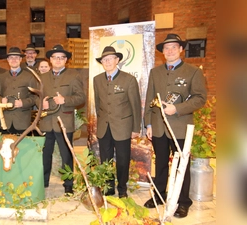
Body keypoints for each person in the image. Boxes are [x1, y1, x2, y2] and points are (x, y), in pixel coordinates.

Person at [143, 33, 207, 218]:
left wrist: (177, 108)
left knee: (182, 166)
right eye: (166, 48)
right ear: (162, 52)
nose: (169, 50)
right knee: (161, 163)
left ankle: (183, 202)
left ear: (181, 49)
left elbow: (200, 98)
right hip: (158, 126)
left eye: (173, 47)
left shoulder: (193, 72)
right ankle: (159, 195)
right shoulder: (155, 72)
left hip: (180, 126)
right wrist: (148, 123)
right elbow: (149, 99)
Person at [93, 46, 141, 198]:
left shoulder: (129, 80)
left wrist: (135, 128)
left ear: (117, 60)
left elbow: (135, 105)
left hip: (123, 127)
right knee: (105, 159)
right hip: (104, 127)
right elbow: (98, 103)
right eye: (104, 59)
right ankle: (108, 186)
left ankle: (122, 188)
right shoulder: (97, 79)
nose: (107, 62)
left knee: (122, 159)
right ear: (101, 62)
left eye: (110, 59)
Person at [40, 44, 85, 194]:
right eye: (55, 57)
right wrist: (41, 103)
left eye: (61, 57)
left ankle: (68, 184)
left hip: (64, 122)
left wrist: (65, 100)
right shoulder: (43, 77)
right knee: (45, 153)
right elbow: (35, 97)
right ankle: (43, 181)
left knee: (66, 154)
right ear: (50, 60)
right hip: (46, 122)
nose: (58, 60)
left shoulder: (74, 75)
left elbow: (81, 97)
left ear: (66, 60)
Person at [0, 47, 37, 134]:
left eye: (16, 57)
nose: (14, 60)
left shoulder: (29, 77)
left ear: (21, 59)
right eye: (11, 57)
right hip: (5, 120)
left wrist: (23, 103)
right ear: (7, 60)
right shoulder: (1, 77)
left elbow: (35, 97)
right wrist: (0, 100)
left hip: (22, 121)